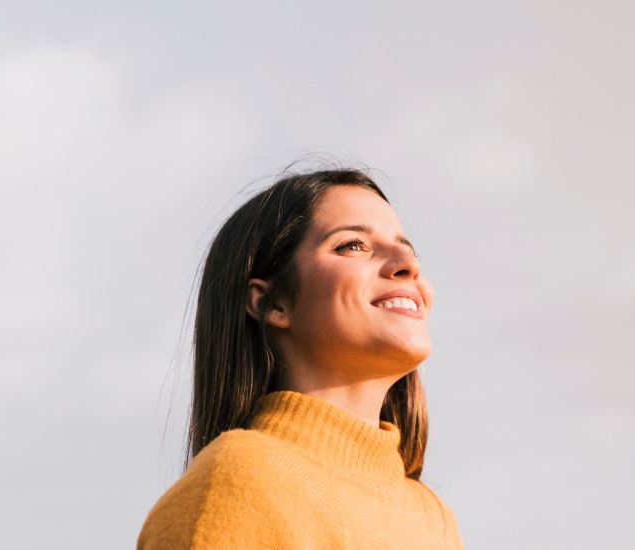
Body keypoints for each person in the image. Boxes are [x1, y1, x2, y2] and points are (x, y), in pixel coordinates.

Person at [137, 168, 463, 549]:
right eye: (353, 244)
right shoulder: (241, 479)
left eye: (408, 249)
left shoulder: (432, 518)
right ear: (273, 303)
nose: (408, 264)